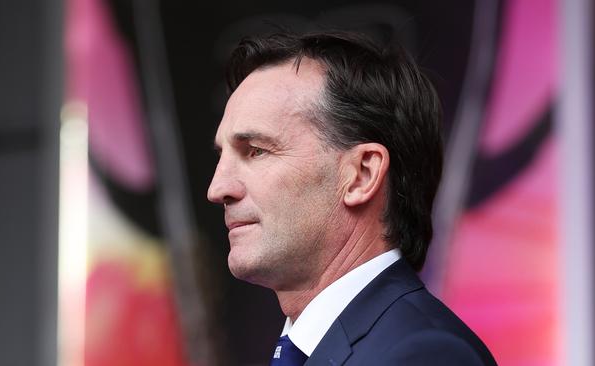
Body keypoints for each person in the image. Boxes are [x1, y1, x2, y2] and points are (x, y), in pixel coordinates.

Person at [207, 30, 496, 365]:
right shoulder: (319, 347)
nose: (217, 188)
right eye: (221, 156)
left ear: (362, 175)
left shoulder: (424, 355)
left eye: (256, 151)